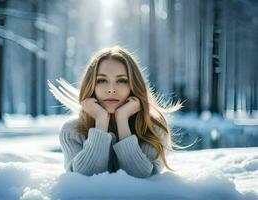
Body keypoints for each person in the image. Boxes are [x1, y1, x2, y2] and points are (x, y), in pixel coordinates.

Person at [48, 46, 182, 178]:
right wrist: (101, 121)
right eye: (101, 80)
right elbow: (84, 178)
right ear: (91, 85)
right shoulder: (72, 130)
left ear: (133, 86)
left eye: (121, 81)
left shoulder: (152, 129)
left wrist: (122, 120)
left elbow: (140, 176)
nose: (111, 89)